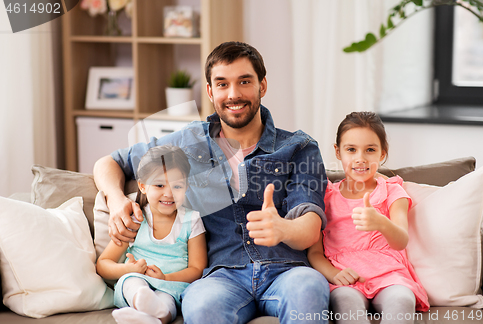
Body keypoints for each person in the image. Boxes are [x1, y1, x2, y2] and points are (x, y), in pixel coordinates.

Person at [93, 41, 330, 323]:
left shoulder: (299, 148)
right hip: (220, 276)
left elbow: (310, 228)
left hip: (287, 270)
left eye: (244, 81)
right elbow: (109, 163)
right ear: (210, 91)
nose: (233, 94)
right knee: (202, 307)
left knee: (310, 288)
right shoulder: (187, 141)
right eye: (222, 84)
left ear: (262, 86)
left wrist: (283, 228)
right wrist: (117, 199)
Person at [307, 112, 429, 323]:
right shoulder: (325, 195)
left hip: (389, 275)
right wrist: (333, 274)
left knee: (401, 300)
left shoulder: (392, 190)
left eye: (370, 150)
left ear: (383, 153)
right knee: (345, 303)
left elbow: (401, 240)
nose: (360, 158)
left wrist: (380, 222)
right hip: (346, 278)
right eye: (351, 150)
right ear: (338, 152)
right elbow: (315, 252)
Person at [96, 145, 207, 324]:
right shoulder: (135, 220)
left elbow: (198, 268)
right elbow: (103, 264)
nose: (169, 193)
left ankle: (155, 317)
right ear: (143, 186)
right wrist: (127, 270)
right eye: (159, 185)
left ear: (186, 187)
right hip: (138, 278)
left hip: (172, 285)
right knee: (133, 283)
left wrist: (165, 278)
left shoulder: (191, 220)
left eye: (177, 186)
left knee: (167, 300)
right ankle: (142, 305)